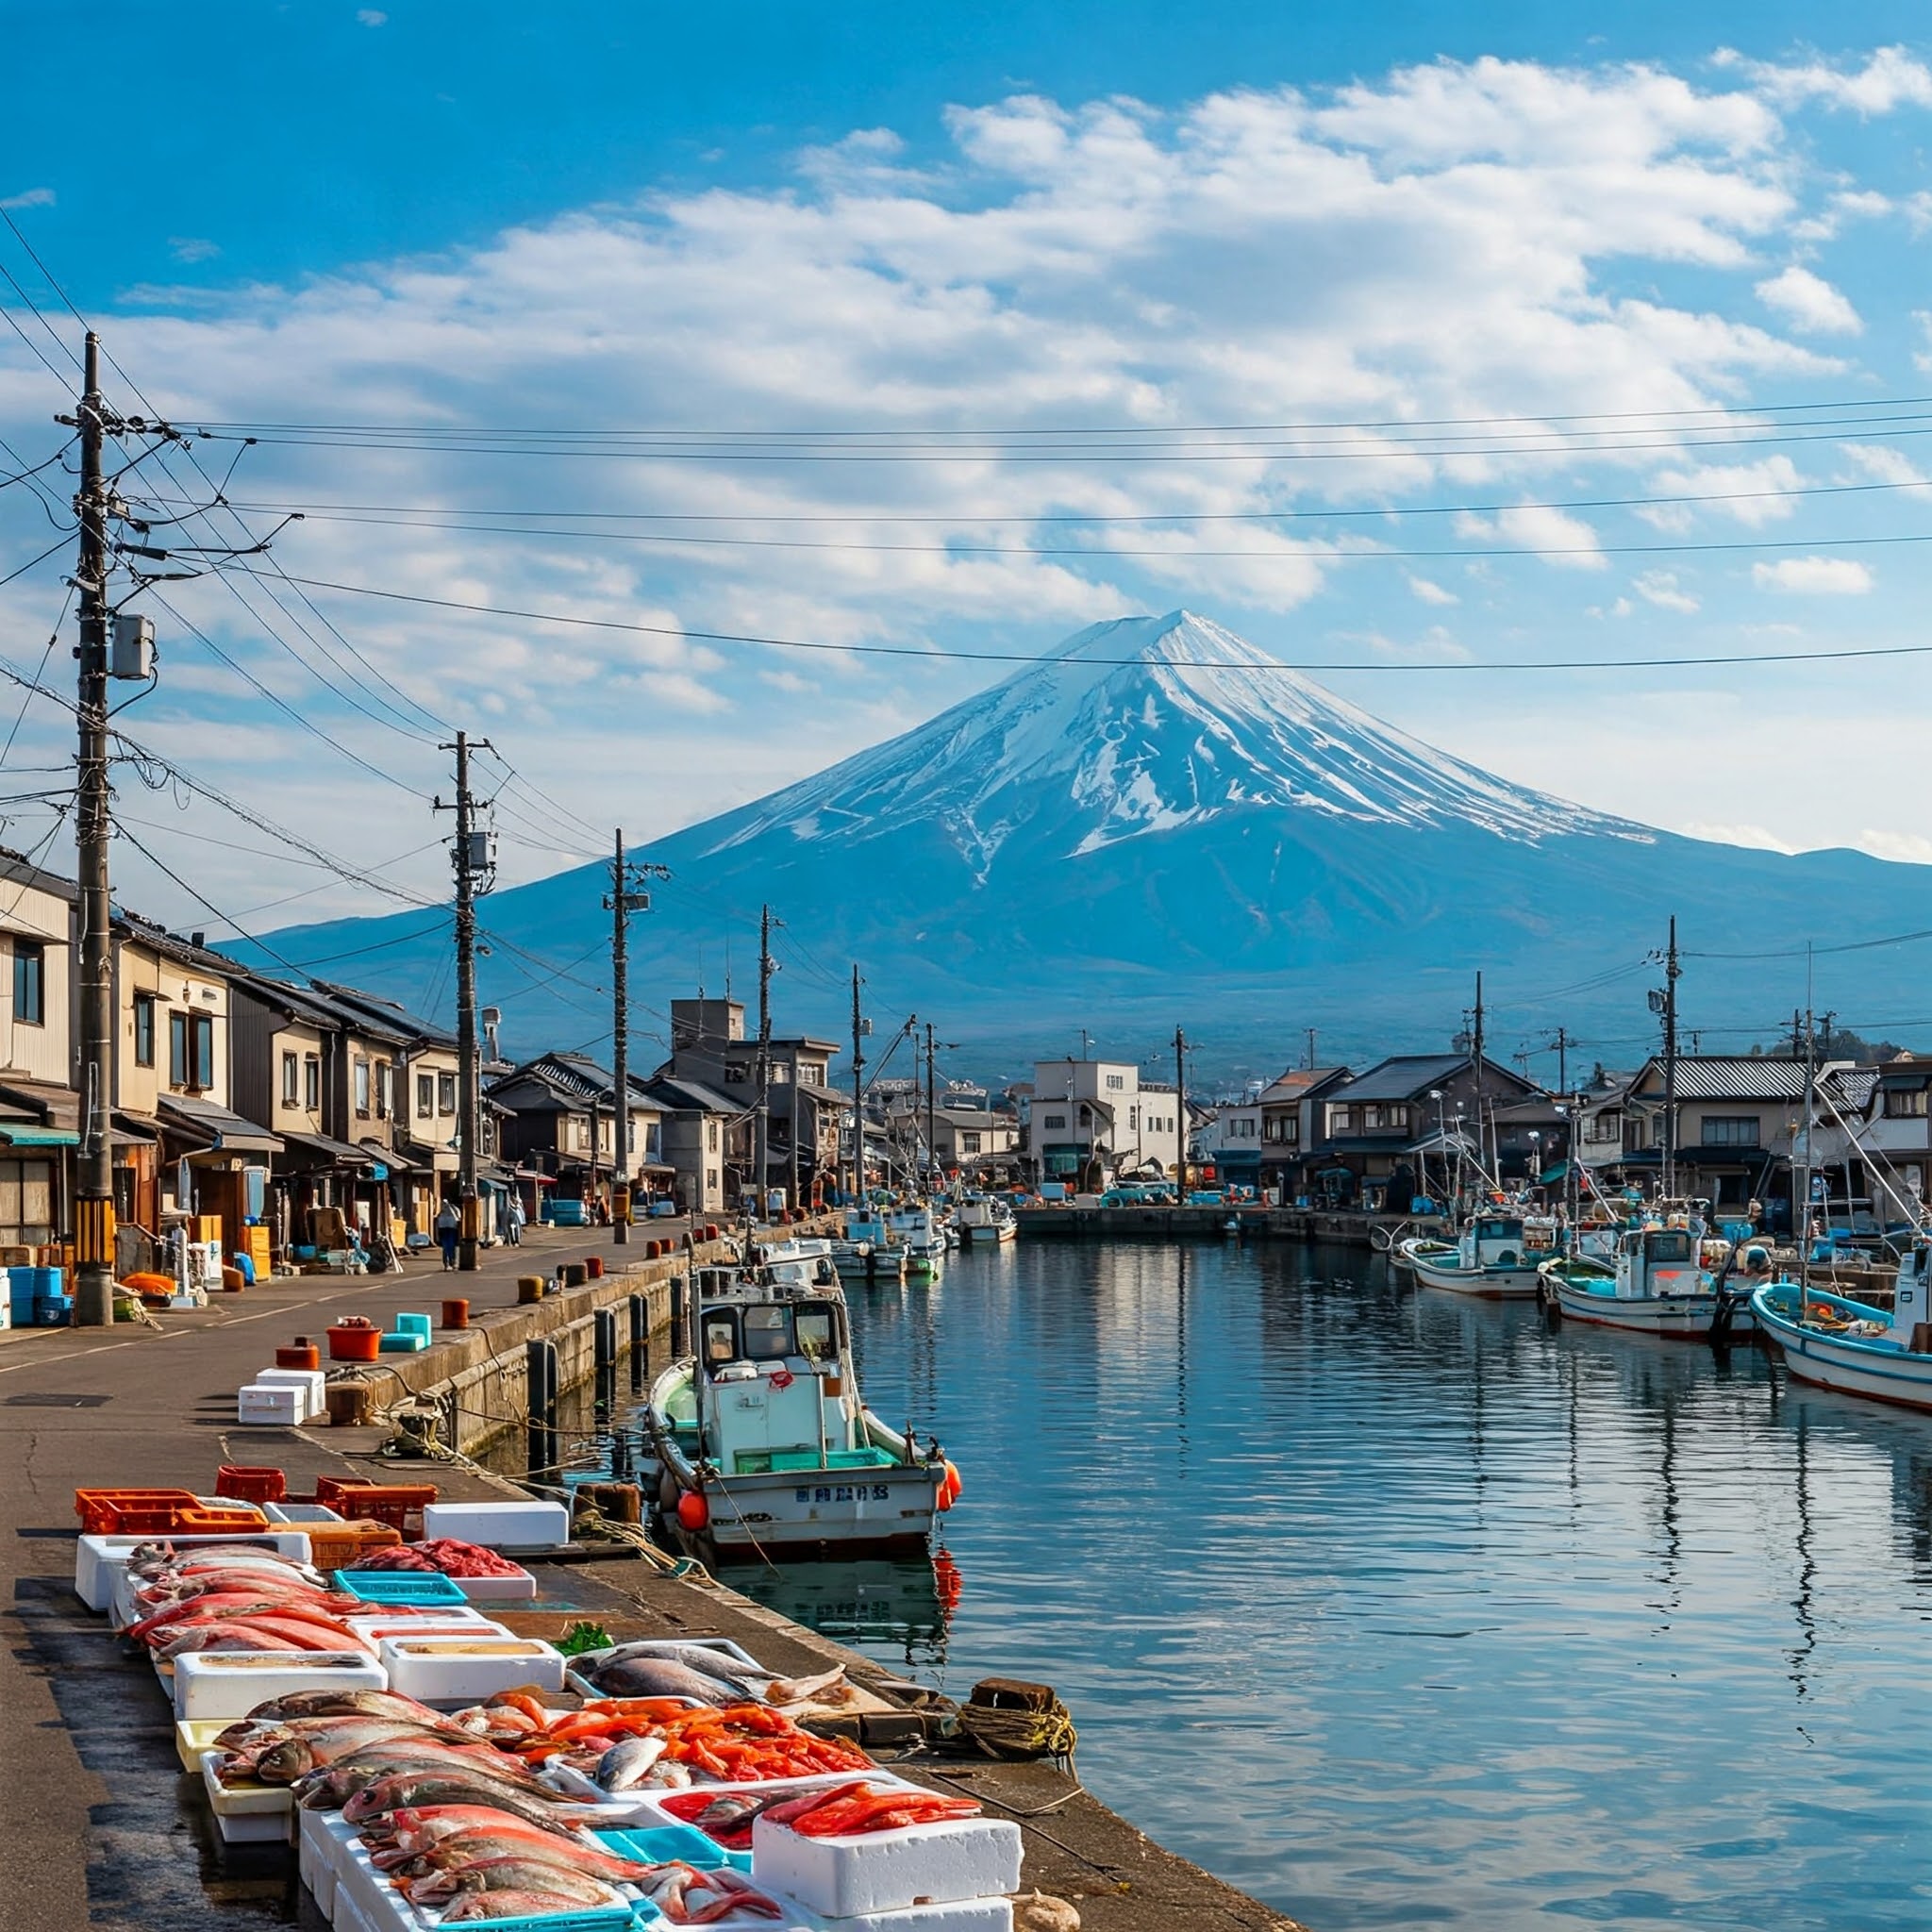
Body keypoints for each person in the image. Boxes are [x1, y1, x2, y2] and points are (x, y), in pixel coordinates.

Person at [434, 1197, 459, 1272]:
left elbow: (437, 1223)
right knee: (450, 1246)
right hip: (451, 1229)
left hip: (445, 1230)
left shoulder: (442, 1212)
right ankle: (451, 1262)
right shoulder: (454, 1209)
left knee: (447, 1247)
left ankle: (448, 1263)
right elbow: (458, 1220)